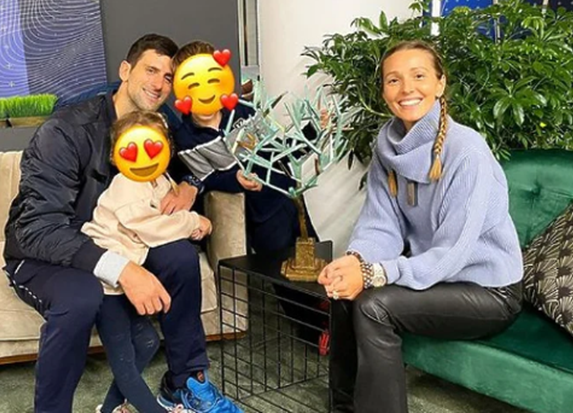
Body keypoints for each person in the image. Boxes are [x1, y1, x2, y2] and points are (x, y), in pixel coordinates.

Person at [3, 34, 241, 413]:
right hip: (49, 252)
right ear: (125, 70)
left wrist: (190, 184)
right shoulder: (65, 131)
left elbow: (195, 162)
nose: (159, 84)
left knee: (180, 258)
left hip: (124, 239)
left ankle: (184, 382)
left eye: (168, 77)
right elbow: (38, 228)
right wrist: (123, 271)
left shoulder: (162, 123)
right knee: (81, 297)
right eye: (151, 70)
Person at [318, 40, 523, 413]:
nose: (406, 89)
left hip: (487, 290)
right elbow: (381, 224)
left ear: (440, 84)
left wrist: (376, 273)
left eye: (419, 76)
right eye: (393, 80)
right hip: (436, 279)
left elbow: (451, 253)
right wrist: (355, 262)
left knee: (374, 306)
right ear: (383, 91)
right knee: (344, 294)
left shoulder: (467, 152)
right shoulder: (387, 146)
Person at [171, 40, 327, 347]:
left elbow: (279, 148)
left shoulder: (243, 111)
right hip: (258, 213)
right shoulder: (186, 137)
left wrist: (313, 131)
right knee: (281, 269)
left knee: (312, 253)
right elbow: (206, 178)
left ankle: (329, 309)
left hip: (287, 194)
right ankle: (312, 331)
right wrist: (235, 179)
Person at [80, 110, 213, 413]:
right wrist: (194, 222)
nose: (144, 158)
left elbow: (166, 216)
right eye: (132, 150)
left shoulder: (159, 178)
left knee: (148, 343)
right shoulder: (126, 185)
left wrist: (188, 215)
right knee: (125, 362)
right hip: (107, 282)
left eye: (153, 148)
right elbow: (152, 227)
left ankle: (110, 409)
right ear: (116, 157)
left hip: (127, 276)